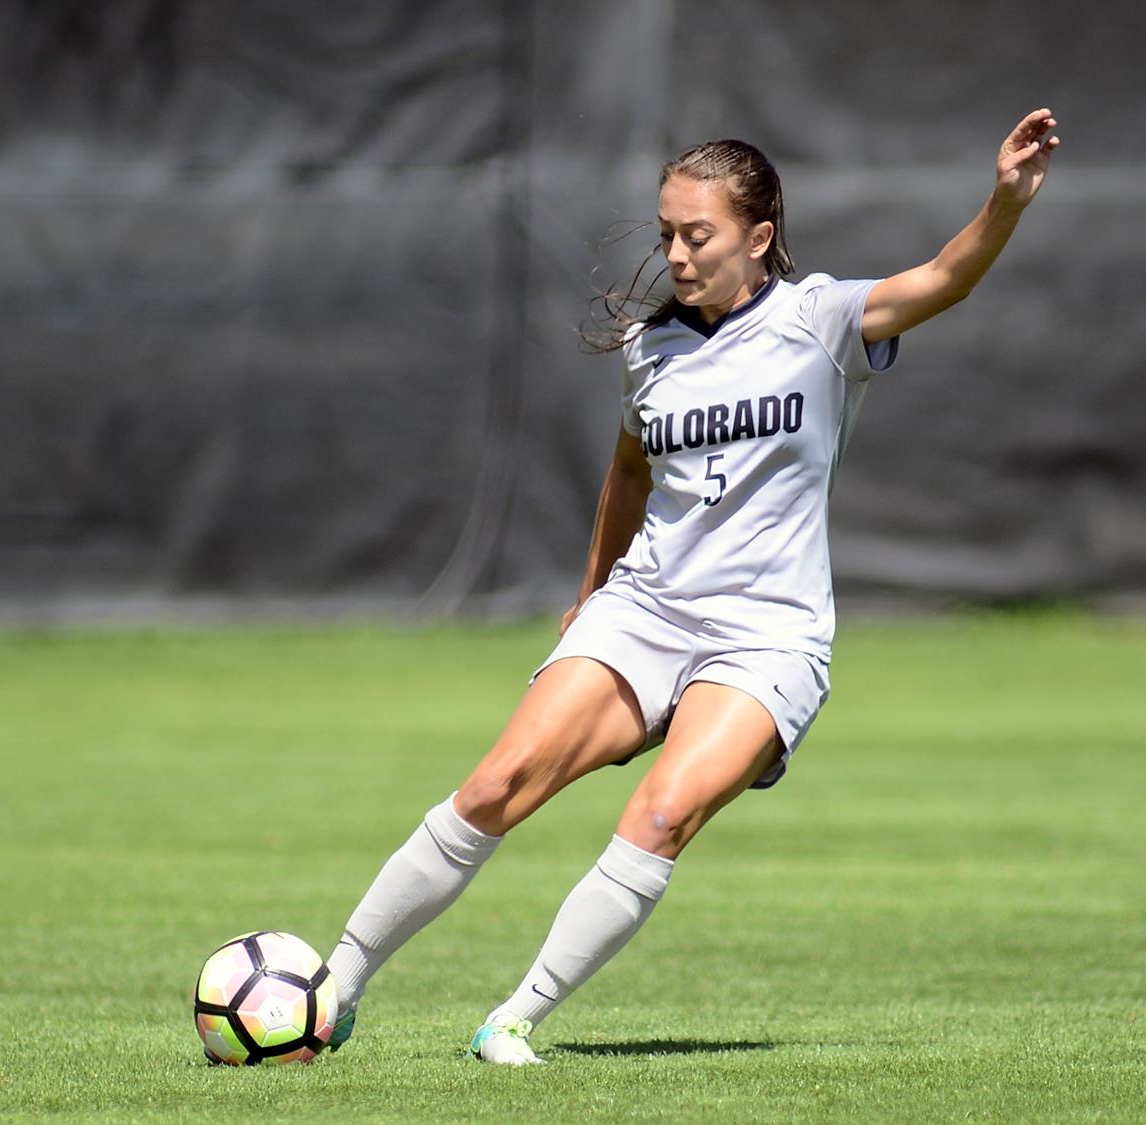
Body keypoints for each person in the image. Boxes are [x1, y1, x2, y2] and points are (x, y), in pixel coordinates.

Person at [322, 109, 1060, 1064]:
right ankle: (334, 982)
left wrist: (1002, 202)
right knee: (495, 784)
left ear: (758, 238)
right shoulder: (650, 349)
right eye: (666, 231)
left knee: (662, 813)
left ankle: (513, 1019)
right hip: (647, 609)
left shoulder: (820, 319)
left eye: (696, 234)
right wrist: (590, 598)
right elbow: (629, 473)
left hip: (767, 637)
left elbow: (943, 278)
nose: (674, 252)